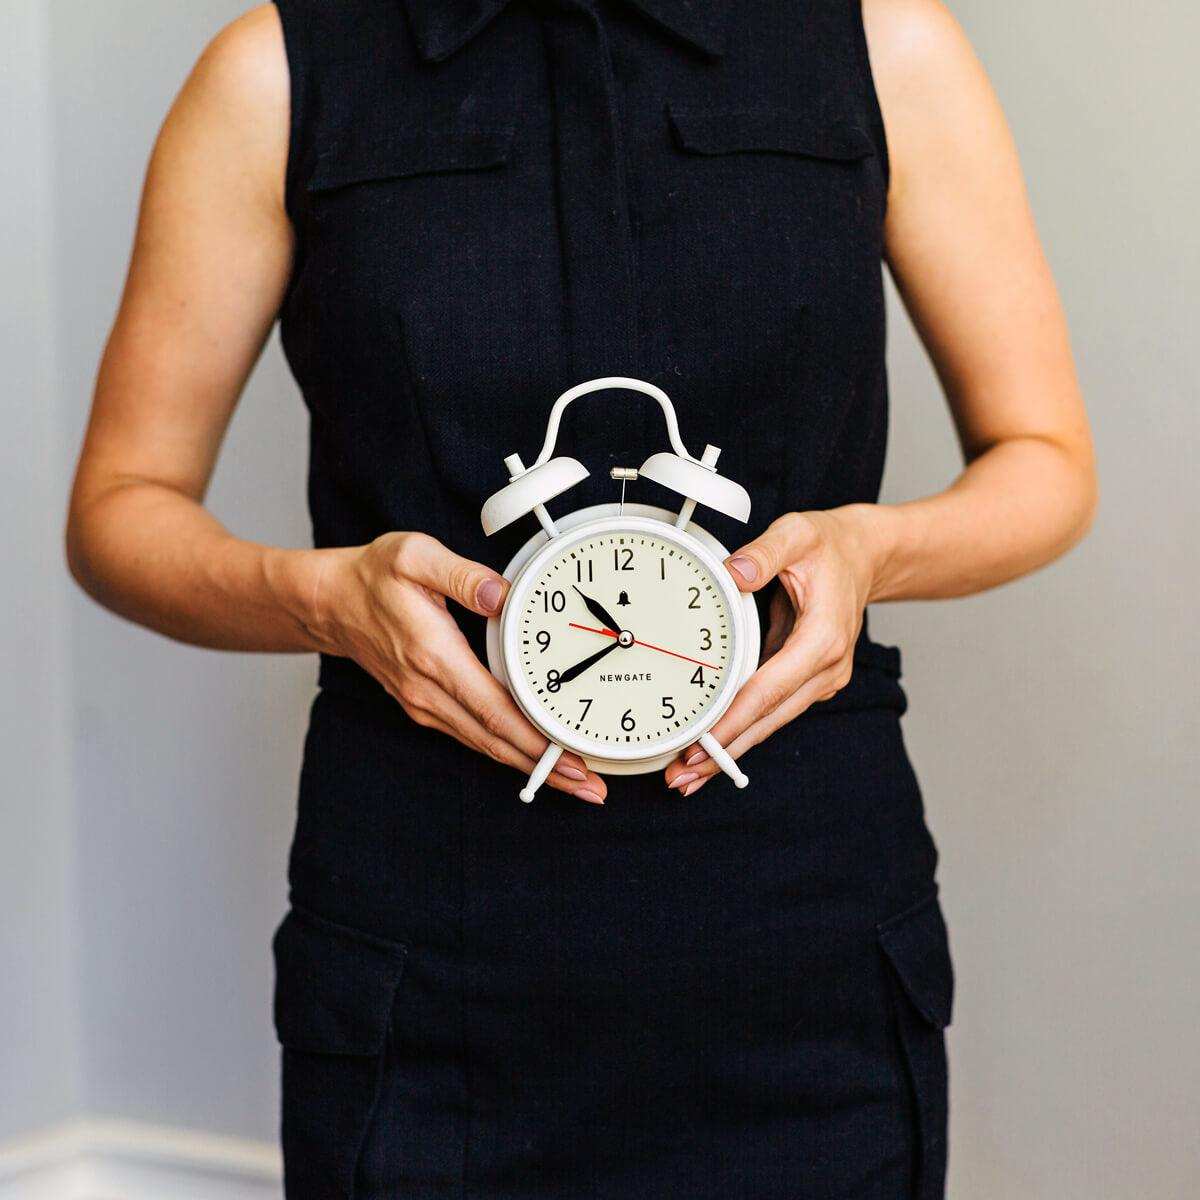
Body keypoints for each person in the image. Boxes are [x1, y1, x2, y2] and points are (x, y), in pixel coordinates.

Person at [66, 1, 1096, 1196]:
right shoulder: (279, 72)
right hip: (431, 943)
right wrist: (323, 597)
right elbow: (121, 510)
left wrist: (873, 552)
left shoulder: (882, 47)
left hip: (803, 927)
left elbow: (1045, 461)